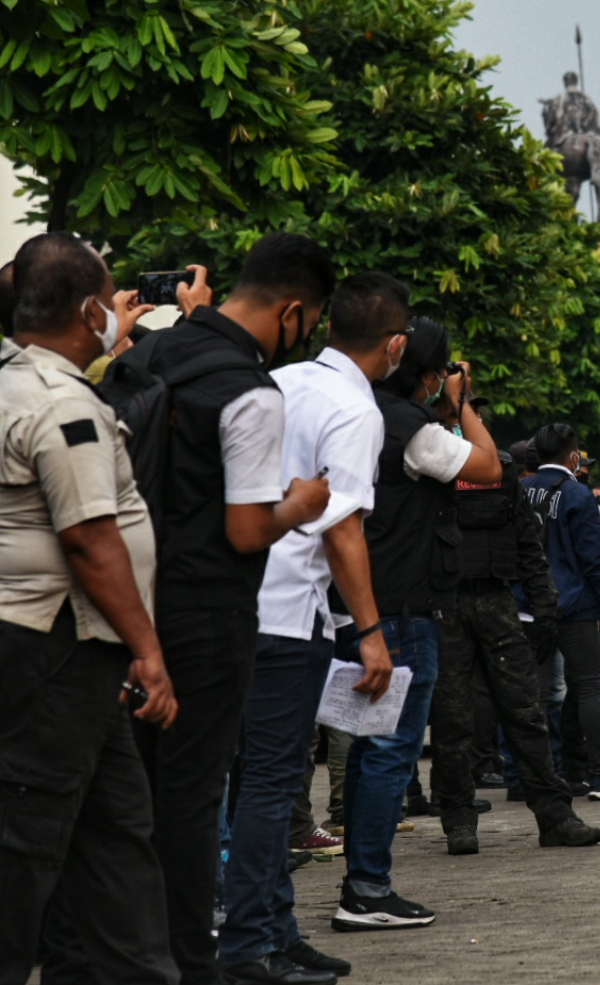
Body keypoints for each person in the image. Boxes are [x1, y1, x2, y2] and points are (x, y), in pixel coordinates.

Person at [118, 235, 333, 985]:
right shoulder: (250, 390)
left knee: (131, 789)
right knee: (192, 792)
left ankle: (133, 951)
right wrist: (300, 505)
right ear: (295, 311)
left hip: (131, 602)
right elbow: (247, 527)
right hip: (208, 612)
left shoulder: (153, 356)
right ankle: (188, 960)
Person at [0, 233, 179, 985]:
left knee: (117, 835)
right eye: (109, 299)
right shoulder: (59, 401)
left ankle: (138, 972)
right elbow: (90, 539)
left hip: (77, 651)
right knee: (26, 844)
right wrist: (149, 650)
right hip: (55, 650)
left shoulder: (14, 379)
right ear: (88, 310)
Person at [219, 270, 401, 983]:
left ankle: (276, 927)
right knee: (270, 786)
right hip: (291, 615)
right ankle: (249, 946)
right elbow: (343, 527)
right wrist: (373, 630)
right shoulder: (357, 412)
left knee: (249, 784)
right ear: (394, 344)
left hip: (238, 600)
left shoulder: (280, 379)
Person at [332, 315, 502, 925]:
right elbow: (487, 467)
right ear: (427, 373)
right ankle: (369, 888)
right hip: (404, 615)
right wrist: (463, 405)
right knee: (390, 753)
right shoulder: (412, 427)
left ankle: (362, 883)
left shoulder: (360, 413)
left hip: (370, 606)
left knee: (367, 749)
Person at [430, 413, 600, 855]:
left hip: (497, 601)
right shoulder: (428, 466)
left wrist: (544, 605)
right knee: (452, 721)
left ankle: (555, 815)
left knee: (526, 713)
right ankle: (459, 819)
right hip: (445, 606)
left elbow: (528, 541)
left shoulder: (502, 474)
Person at [523, 423, 600, 800]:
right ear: (573, 457)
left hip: (528, 607)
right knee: (590, 685)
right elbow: (594, 557)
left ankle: (538, 776)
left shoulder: (519, 491)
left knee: (535, 695)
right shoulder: (578, 494)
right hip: (574, 605)